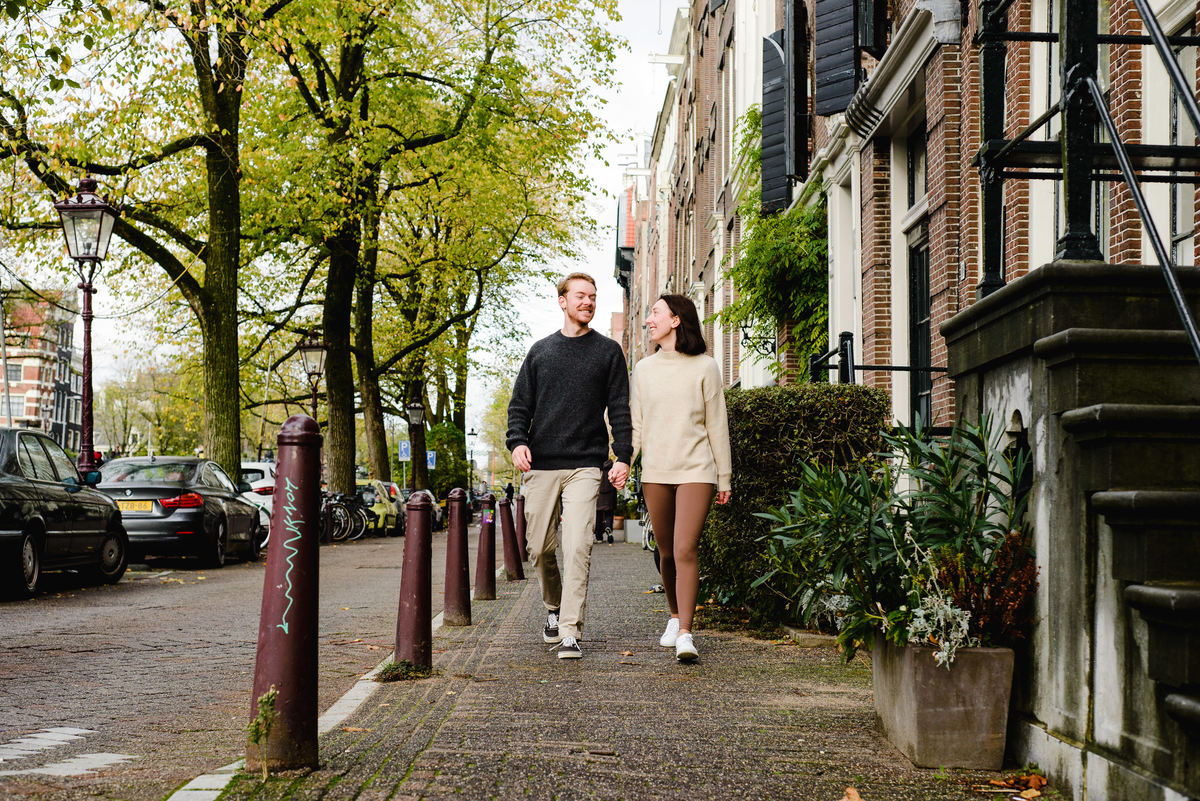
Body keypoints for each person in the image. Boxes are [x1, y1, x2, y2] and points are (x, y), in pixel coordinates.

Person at [506, 272, 632, 660]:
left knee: (578, 545)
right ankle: (554, 607)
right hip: (542, 465)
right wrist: (517, 442)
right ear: (562, 301)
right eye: (580, 296)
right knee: (538, 548)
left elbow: (621, 410)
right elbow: (519, 407)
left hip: (586, 466)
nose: (588, 302)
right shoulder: (540, 352)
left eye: (593, 296)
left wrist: (623, 455)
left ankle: (570, 629)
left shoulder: (608, 352)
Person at [628, 294, 731, 662]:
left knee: (685, 547)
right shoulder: (643, 369)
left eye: (654, 313)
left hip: (696, 470)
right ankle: (673, 616)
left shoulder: (705, 367)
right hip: (656, 471)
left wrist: (724, 477)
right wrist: (624, 462)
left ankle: (686, 633)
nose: (649, 320)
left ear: (675, 320)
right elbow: (636, 425)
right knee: (666, 551)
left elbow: (717, 425)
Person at [594, 459, 616, 544]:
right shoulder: (612, 467)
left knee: (598, 515)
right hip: (609, 495)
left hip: (599, 494)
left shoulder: (597, 466)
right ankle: (608, 527)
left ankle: (599, 537)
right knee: (609, 513)